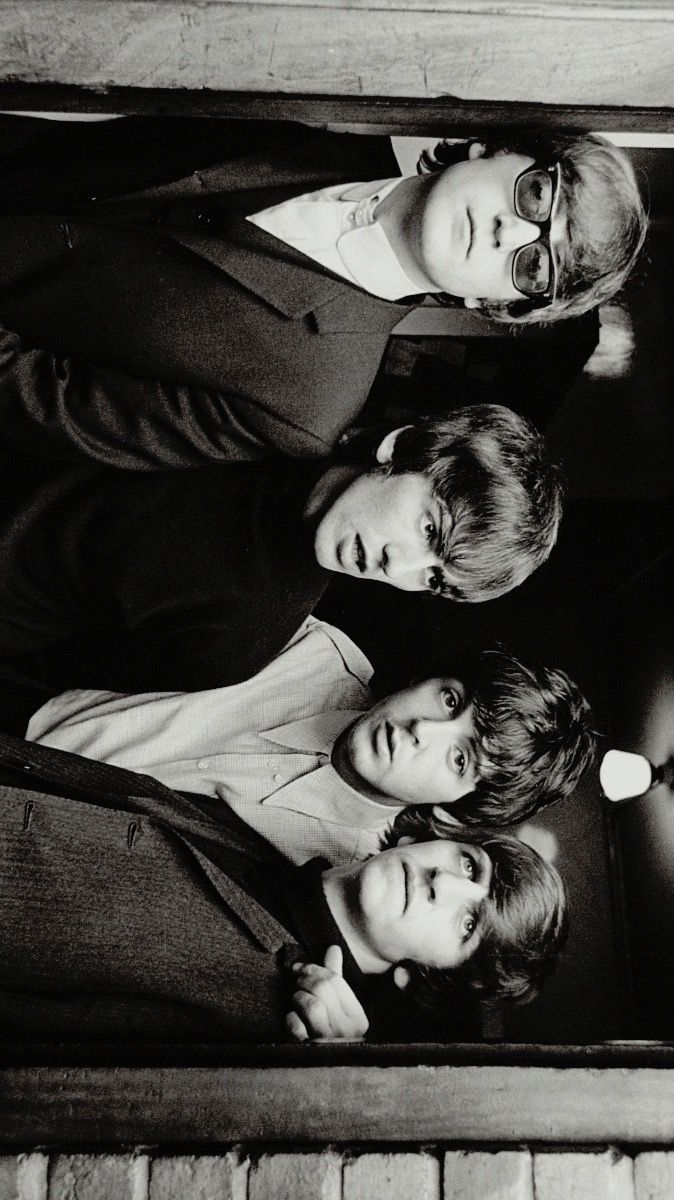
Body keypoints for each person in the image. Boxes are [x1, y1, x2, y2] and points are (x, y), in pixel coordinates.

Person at [0, 116, 646, 469]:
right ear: (495, 148)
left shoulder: (304, 405)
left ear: (494, 307)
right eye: (536, 195)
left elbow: (35, 405)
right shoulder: (319, 122)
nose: (510, 232)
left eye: (533, 268)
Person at [0, 403, 562, 723]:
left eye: (434, 579)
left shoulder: (240, 639)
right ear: (402, 447)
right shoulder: (279, 403)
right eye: (430, 528)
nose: (399, 565)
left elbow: (52, 672)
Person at [0, 729, 567, 1043]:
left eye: (468, 924)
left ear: (435, 973)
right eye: (470, 866)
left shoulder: (276, 1019)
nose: (443, 883)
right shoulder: (264, 846)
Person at [26, 616, 596, 866]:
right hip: (30, 697)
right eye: (451, 701)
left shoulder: (332, 871)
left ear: (453, 810)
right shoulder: (313, 647)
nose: (424, 729)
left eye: (459, 756)